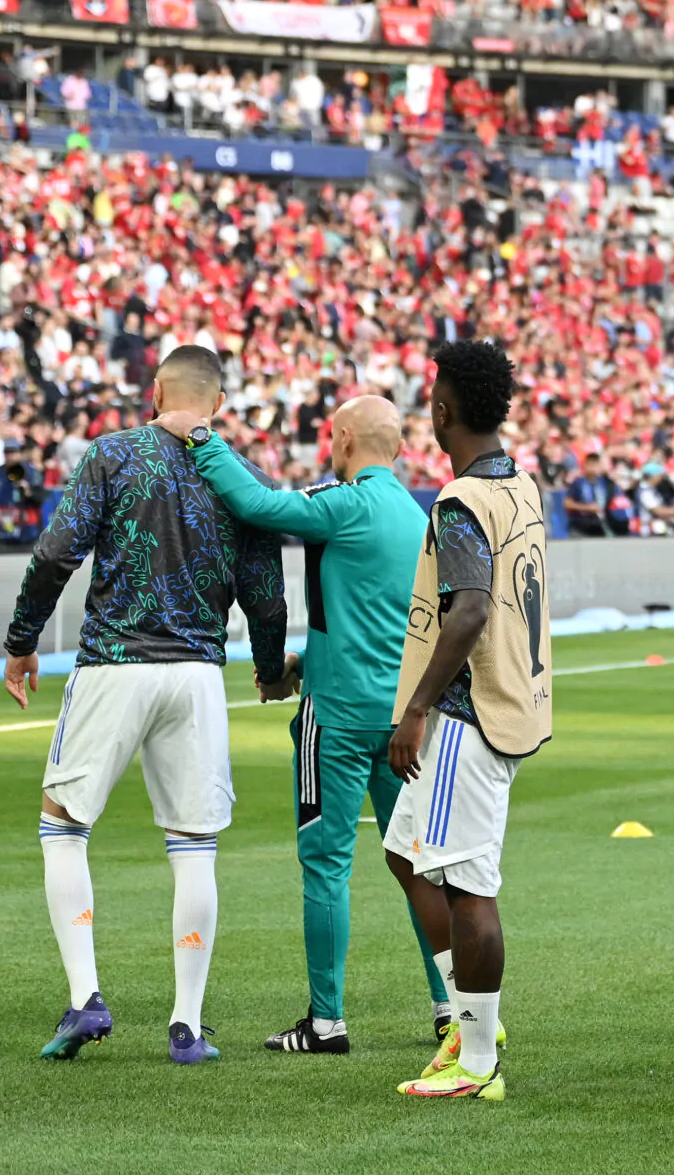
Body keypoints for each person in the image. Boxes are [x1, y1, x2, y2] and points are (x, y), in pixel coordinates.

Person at [3, 344, 289, 1065]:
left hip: (114, 664)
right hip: (195, 674)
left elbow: (55, 554)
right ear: (217, 403)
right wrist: (264, 667)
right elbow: (265, 592)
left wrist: (20, 640)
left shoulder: (114, 454)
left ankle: (85, 998)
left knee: (63, 827)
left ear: (155, 390)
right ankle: (186, 1026)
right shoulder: (242, 476)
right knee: (194, 846)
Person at [154, 391, 452, 1054]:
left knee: (326, 864)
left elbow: (259, 506)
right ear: (399, 446)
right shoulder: (413, 512)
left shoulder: (344, 503)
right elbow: (372, 616)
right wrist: (300, 660)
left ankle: (326, 1021)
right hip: (400, 716)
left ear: (342, 439)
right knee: (415, 862)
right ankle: (451, 1004)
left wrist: (205, 438)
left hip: (338, 717)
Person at [382, 339, 551, 1102]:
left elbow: (473, 609)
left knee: (467, 884)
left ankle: (477, 1060)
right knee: (405, 854)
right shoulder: (520, 483)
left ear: (443, 410)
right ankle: (468, 1016)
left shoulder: (461, 502)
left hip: (464, 716)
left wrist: (417, 709)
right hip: (510, 702)